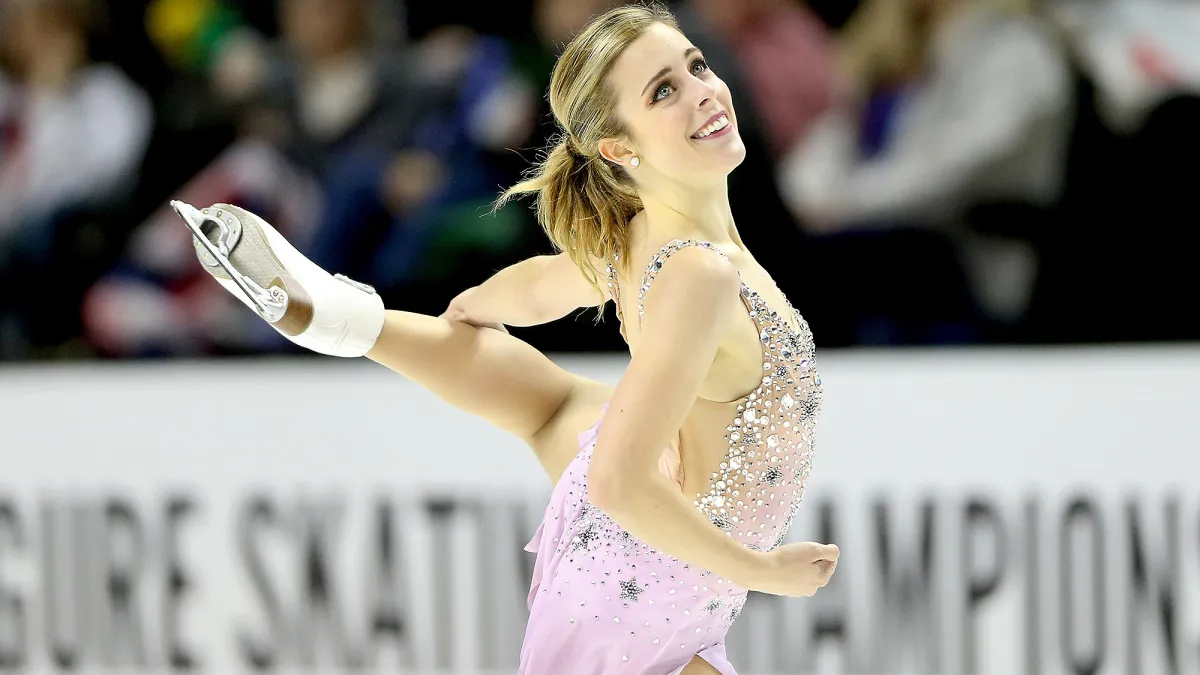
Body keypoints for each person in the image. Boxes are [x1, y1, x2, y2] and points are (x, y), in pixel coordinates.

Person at [173, 4, 836, 674]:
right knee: (561, 408)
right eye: (663, 91)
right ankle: (345, 317)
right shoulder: (698, 272)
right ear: (619, 147)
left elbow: (550, 282)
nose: (702, 92)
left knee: (552, 404)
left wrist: (478, 304)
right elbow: (615, 481)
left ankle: (345, 317)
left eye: (696, 67)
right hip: (652, 586)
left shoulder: (645, 240)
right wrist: (764, 570)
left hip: (649, 572)